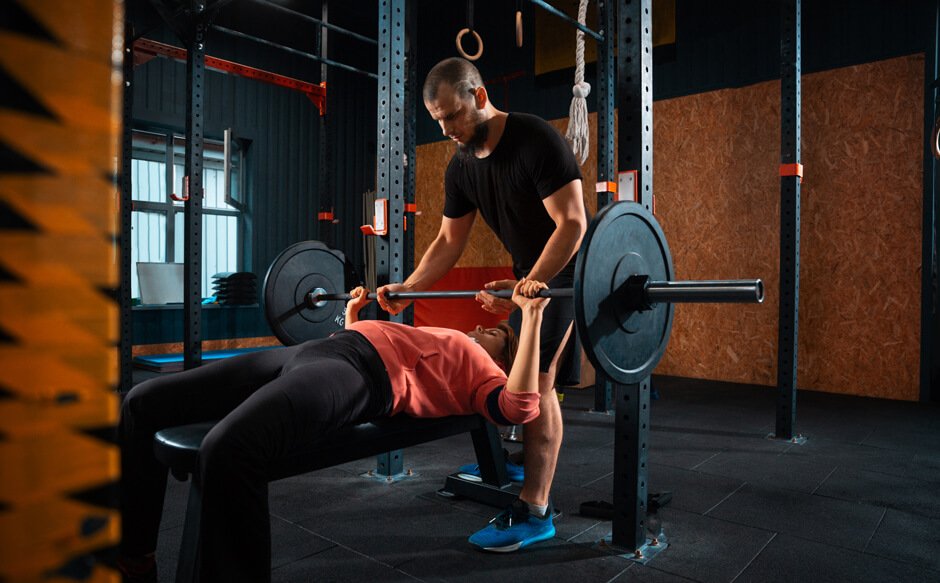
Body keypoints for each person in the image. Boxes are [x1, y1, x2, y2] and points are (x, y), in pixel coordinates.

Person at [117, 279, 550, 583]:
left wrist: (530, 318)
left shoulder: (487, 373)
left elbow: (519, 407)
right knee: (141, 401)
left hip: (360, 374)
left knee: (230, 447)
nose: (481, 328)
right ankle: (135, 560)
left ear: (506, 360)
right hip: (317, 350)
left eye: (495, 333)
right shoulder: (455, 342)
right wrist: (353, 313)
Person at [377, 57, 588, 552]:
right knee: (499, 362)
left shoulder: (536, 140)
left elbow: (573, 224)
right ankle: (515, 463)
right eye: (438, 120)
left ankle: (536, 510)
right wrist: (409, 289)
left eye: (452, 115)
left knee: (536, 385)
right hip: (530, 279)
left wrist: (531, 284)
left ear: (479, 96)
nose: (446, 129)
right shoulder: (461, 166)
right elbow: (449, 241)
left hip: (566, 275)